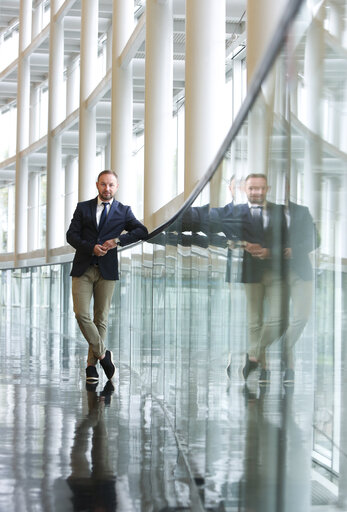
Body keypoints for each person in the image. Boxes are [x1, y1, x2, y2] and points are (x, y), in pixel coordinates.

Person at [66, 170, 148, 383]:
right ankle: (104, 356)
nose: (107, 188)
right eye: (103, 184)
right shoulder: (83, 208)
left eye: (111, 185)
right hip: (83, 267)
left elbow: (142, 230)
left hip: (107, 270)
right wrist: (90, 247)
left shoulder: (123, 211)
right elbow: (71, 236)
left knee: (100, 318)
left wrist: (118, 241)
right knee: (81, 313)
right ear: (97, 185)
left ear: (116, 187)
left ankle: (91, 366)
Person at [217, 173, 287, 384]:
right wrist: (243, 244)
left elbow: (286, 237)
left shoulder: (277, 211)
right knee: (253, 320)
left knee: (278, 318)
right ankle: (260, 363)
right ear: (240, 190)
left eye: (260, 188)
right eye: (251, 188)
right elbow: (225, 236)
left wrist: (268, 251)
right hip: (245, 272)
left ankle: (254, 354)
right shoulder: (233, 211)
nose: (256, 192)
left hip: (272, 270)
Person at [281, 198, 319, 385]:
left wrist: (294, 250)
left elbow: (315, 239)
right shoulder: (264, 212)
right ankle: (289, 368)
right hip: (274, 273)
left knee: (301, 318)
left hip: (301, 272)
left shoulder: (301, 211)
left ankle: (284, 347)